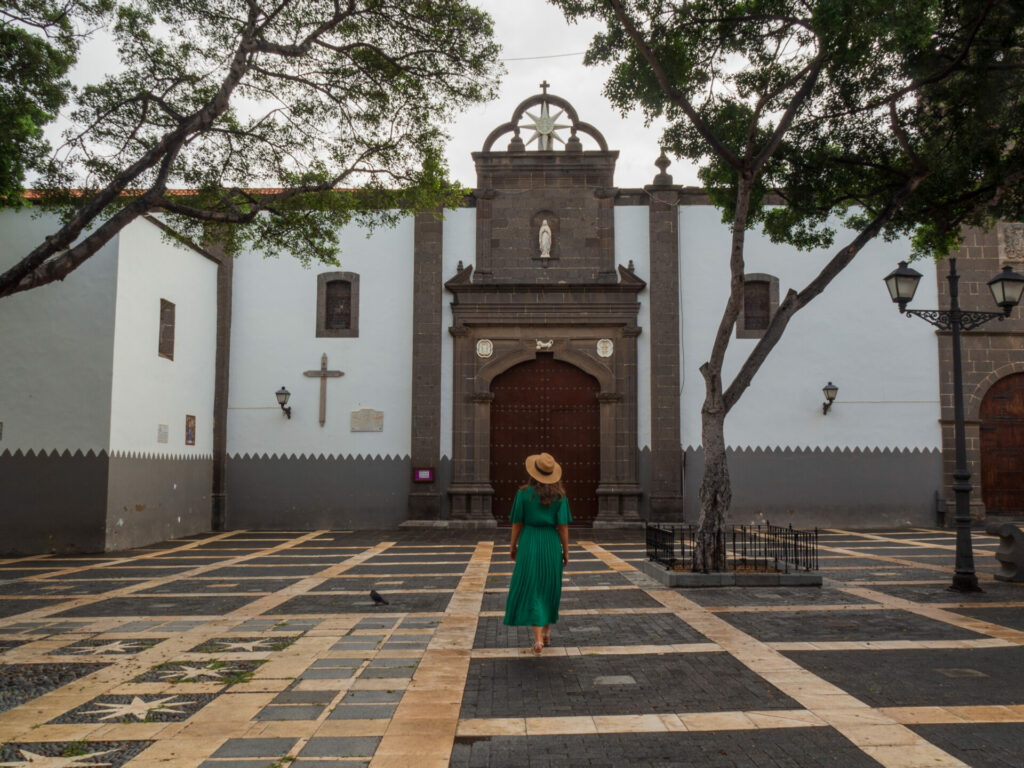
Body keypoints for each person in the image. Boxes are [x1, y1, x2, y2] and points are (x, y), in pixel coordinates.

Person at [503, 451, 572, 653]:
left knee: (533, 587)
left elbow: (517, 523)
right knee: (548, 587)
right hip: (550, 543)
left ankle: (538, 639)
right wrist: (566, 551)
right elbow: (563, 527)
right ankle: (547, 633)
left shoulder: (523, 494)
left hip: (529, 542)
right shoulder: (560, 497)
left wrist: (513, 545)